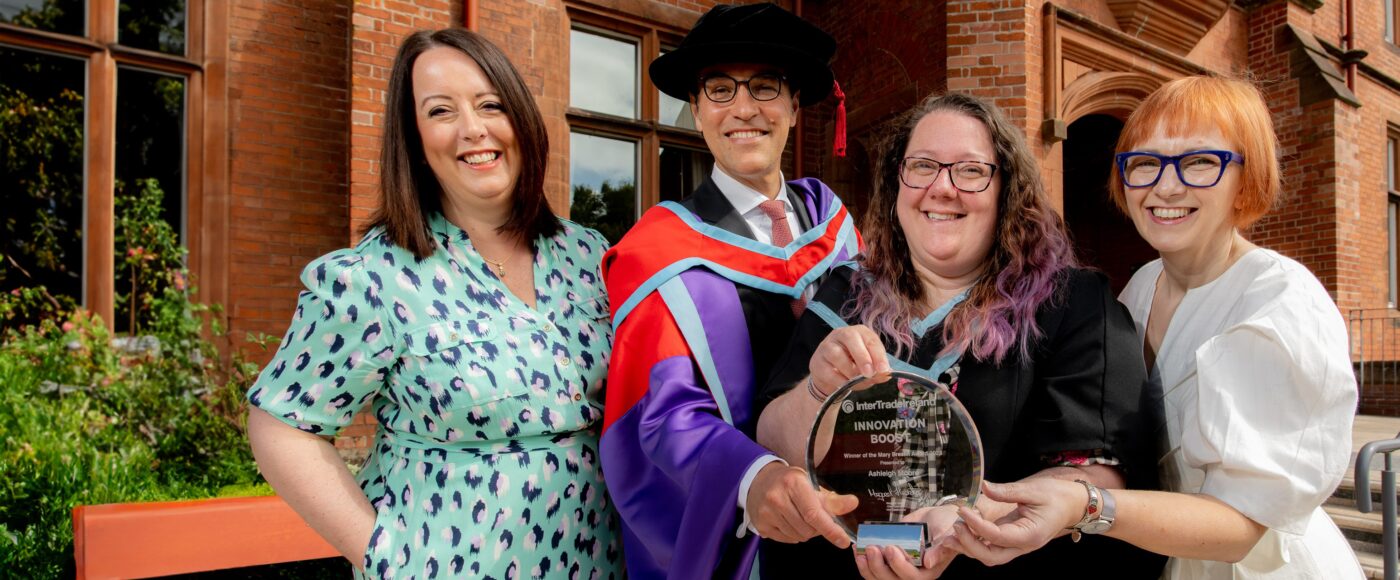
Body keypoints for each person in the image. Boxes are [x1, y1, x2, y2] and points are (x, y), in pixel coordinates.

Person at [950, 75, 1363, 579]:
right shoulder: (1142, 285)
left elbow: (1243, 525)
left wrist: (1085, 504)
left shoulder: (1279, 304)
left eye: (1200, 162)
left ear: (1245, 179)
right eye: (1145, 163)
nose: (1166, 186)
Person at [245, 28, 622, 579]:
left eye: (490, 104)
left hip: (601, 562)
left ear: (519, 118)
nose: (473, 129)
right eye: (441, 111)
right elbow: (282, 423)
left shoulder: (590, 256)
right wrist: (379, 553)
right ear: (414, 139)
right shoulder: (374, 278)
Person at [754, 92, 1166, 579]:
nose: (942, 188)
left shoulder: (1070, 304)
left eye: (970, 170)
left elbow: (1099, 472)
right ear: (896, 183)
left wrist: (978, 517)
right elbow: (771, 440)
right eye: (923, 165)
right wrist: (820, 390)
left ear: (1005, 190)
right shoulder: (846, 293)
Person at [598, 3, 863, 578]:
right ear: (696, 111)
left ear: (795, 105)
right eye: (719, 90)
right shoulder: (658, 253)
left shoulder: (836, 226)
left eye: (766, 87)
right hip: (744, 534)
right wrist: (751, 477)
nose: (744, 108)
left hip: (855, 534)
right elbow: (659, 416)